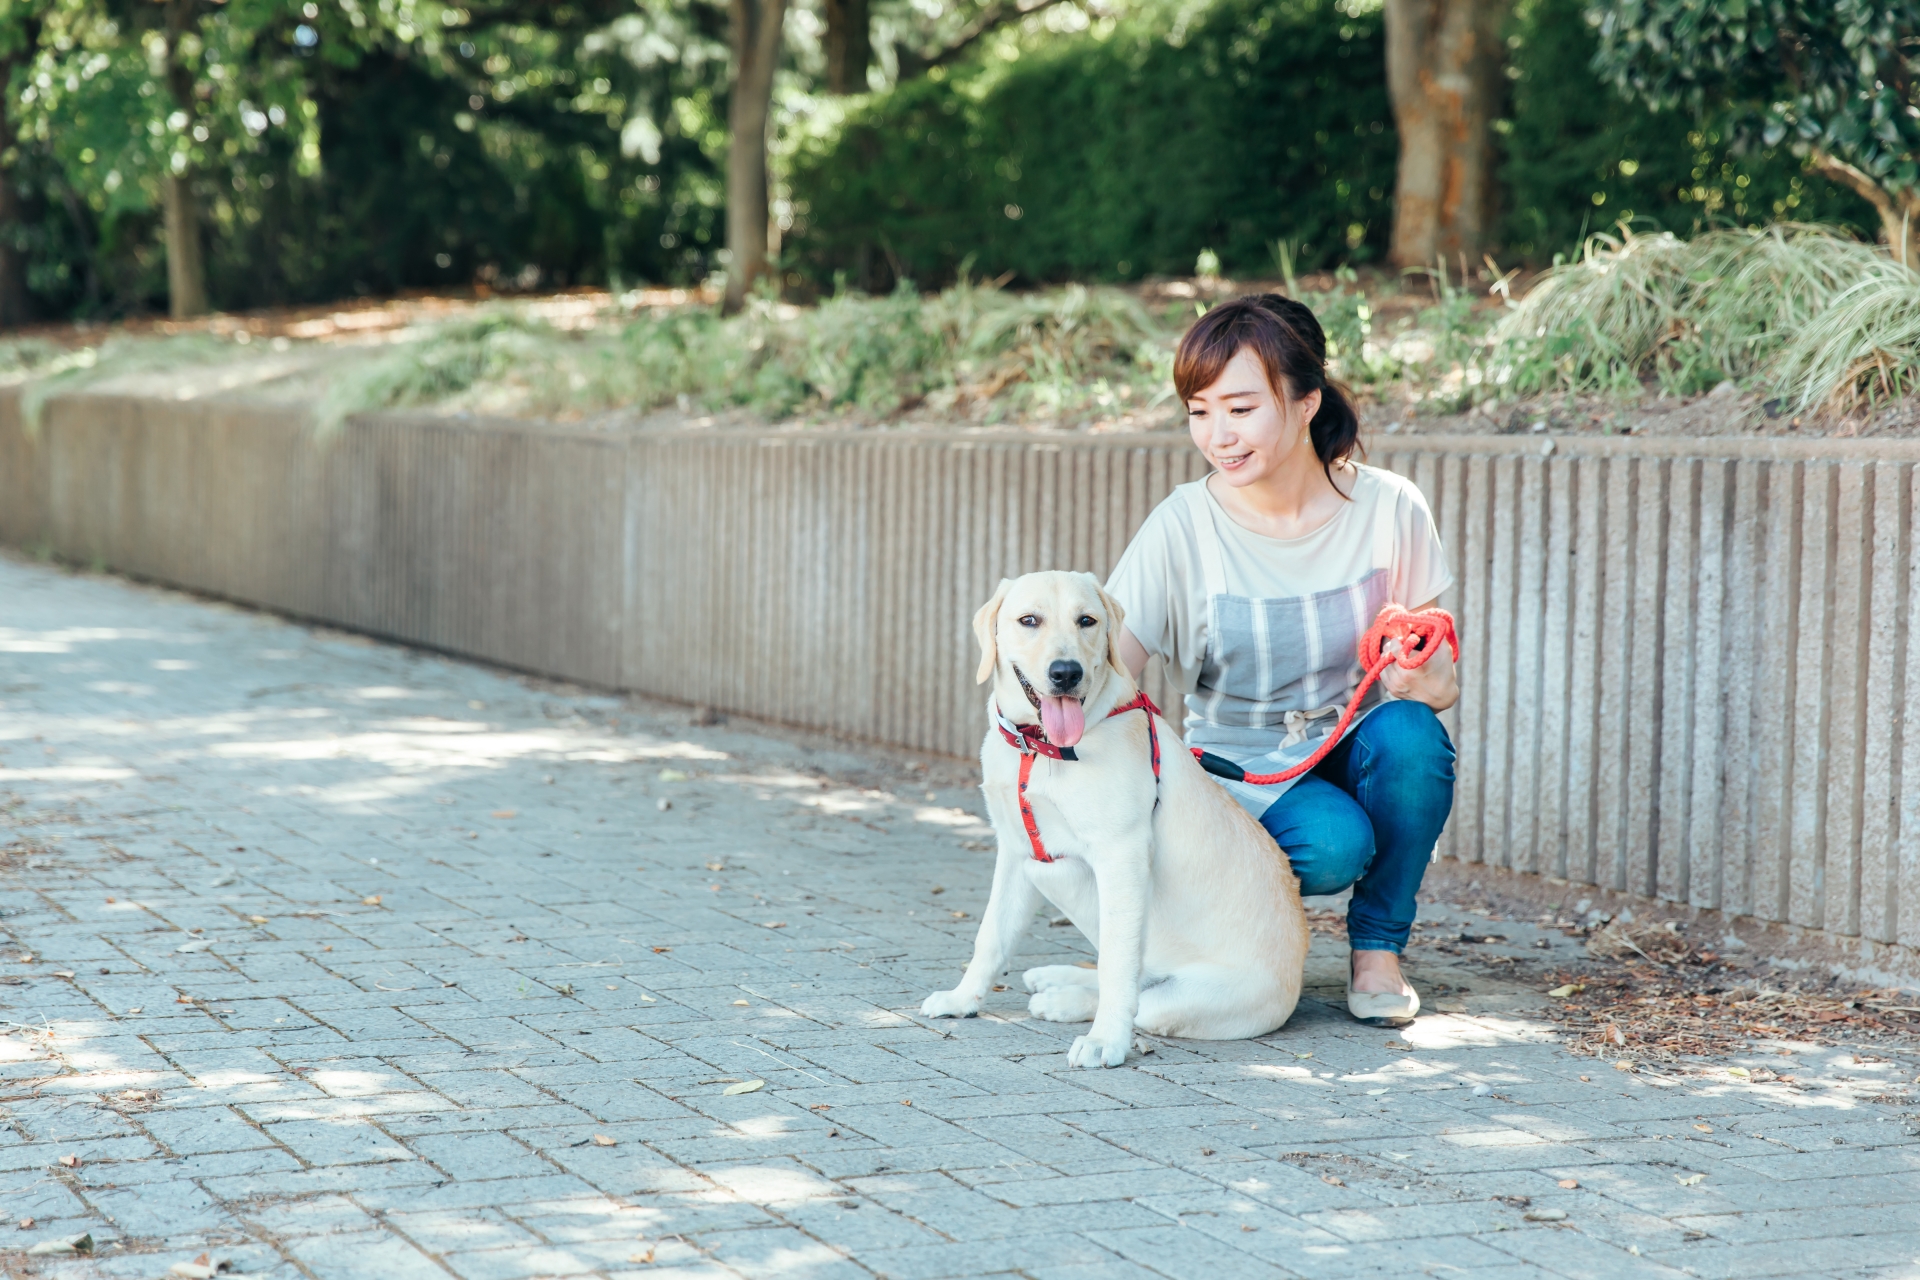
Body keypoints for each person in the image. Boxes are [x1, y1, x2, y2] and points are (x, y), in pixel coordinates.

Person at [1104, 294, 1458, 1027]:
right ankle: (1211, 941)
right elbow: (1112, 671)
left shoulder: (1391, 509)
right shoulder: (1182, 525)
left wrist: (1419, 680)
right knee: (1334, 847)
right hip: (1235, 769)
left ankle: (1378, 953)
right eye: (1199, 411)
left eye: (1239, 409)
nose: (1217, 436)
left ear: (1305, 405)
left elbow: (1442, 681)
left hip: (1347, 744)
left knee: (1413, 737)